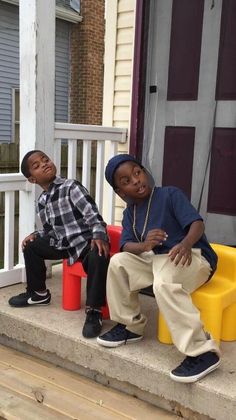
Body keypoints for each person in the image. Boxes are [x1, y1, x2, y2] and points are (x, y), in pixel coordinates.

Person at [97, 154, 221, 383]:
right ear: (121, 193)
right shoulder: (129, 214)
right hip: (157, 259)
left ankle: (203, 352)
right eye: (126, 181)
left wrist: (185, 243)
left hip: (193, 257)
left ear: (145, 172)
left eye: (137, 172)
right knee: (118, 262)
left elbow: (197, 223)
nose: (135, 180)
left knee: (164, 281)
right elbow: (126, 245)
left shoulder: (169, 194)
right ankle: (130, 326)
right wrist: (144, 245)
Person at [9, 150, 110, 339]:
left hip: (86, 243)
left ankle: (94, 311)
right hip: (64, 245)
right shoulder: (42, 201)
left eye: (45, 159)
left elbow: (93, 216)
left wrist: (99, 236)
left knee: (98, 254)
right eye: (37, 166)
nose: (44, 164)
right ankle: (38, 293)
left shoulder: (71, 187)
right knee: (30, 246)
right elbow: (50, 231)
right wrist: (36, 235)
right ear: (32, 179)